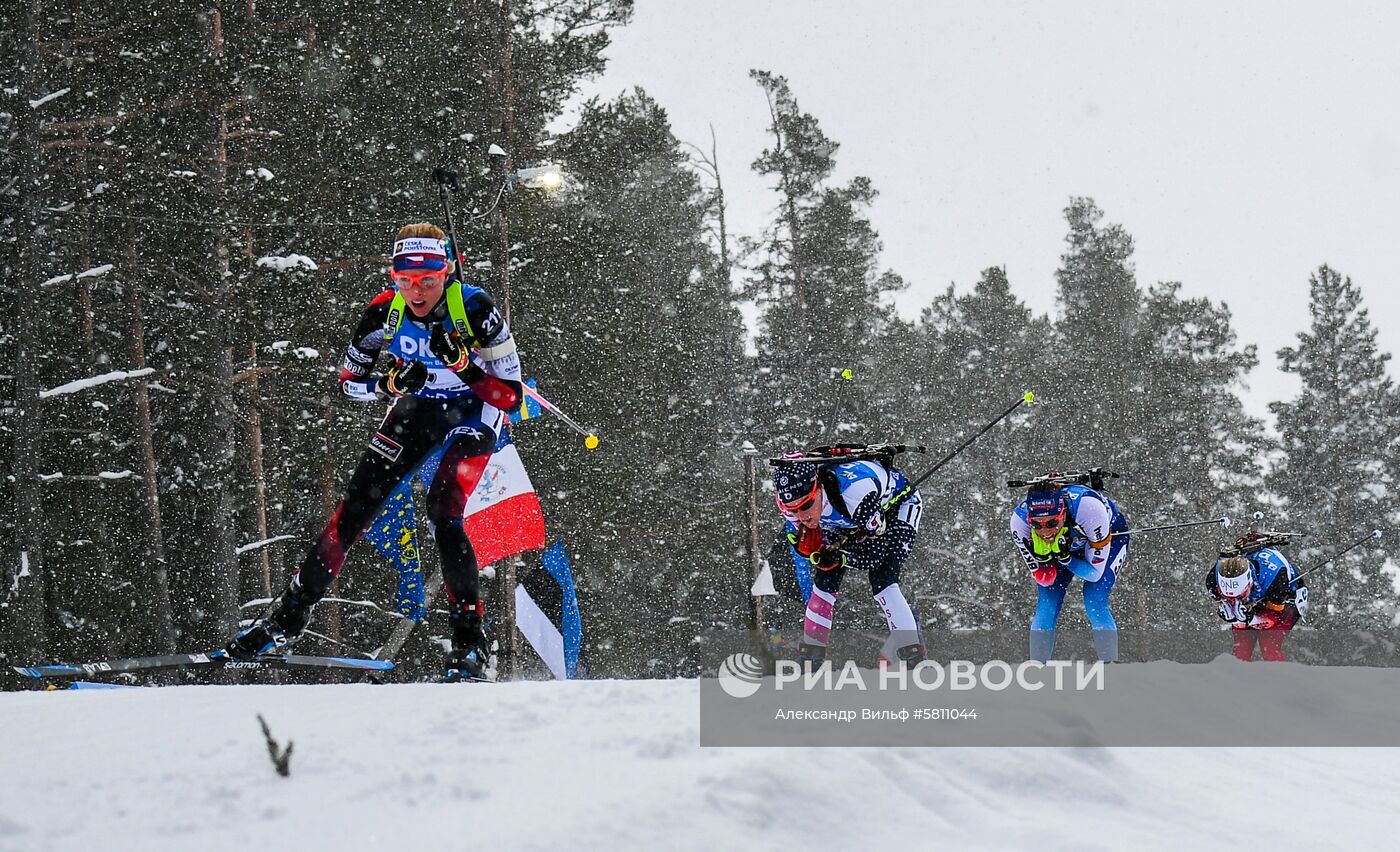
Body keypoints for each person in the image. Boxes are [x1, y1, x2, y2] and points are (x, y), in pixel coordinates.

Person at [224, 223, 523, 680]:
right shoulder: (384, 312)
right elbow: (349, 384)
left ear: (446, 273)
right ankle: (286, 619)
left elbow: (510, 397)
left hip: (473, 412)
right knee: (354, 511)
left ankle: (470, 644)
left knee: (443, 510)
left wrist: (463, 363)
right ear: (394, 277)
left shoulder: (475, 308)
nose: (416, 290)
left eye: (427, 279)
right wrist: (387, 384)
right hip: (417, 409)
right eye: (405, 279)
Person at [772, 451, 924, 667]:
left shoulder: (856, 494)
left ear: (819, 488)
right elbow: (810, 546)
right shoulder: (795, 508)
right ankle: (810, 661)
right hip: (846, 520)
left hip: (895, 507)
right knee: (824, 580)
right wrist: (810, 550)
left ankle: (913, 658)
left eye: (806, 505)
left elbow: (874, 557)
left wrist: (840, 558)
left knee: (883, 579)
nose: (801, 516)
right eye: (791, 510)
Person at [1009, 480, 1128, 662]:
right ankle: (1038, 668)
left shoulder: (1089, 510)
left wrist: (1067, 559)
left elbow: (1095, 573)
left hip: (1107, 536)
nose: (1045, 531)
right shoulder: (1019, 523)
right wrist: (1045, 561)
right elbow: (1045, 580)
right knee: (1047, 601)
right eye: (1037, 525)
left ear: (1062, 512)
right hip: (1064, 548)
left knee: (1094, 598)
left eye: (1051, 523)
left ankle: (1110, 665)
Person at [1206, 543, 1307, 662]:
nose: (1235, 600)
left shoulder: (1276, 579)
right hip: (1257, 597)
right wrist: (1235, 617)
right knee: (1241, 648)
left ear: (1250, 583)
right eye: (1226, 596)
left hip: (1286, 597)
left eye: (1240, 596)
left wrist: (1251, 619)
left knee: (1269, 645)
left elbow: (1272, 619)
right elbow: (1232, 611)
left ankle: (1280, 677)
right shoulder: (1212, 582)